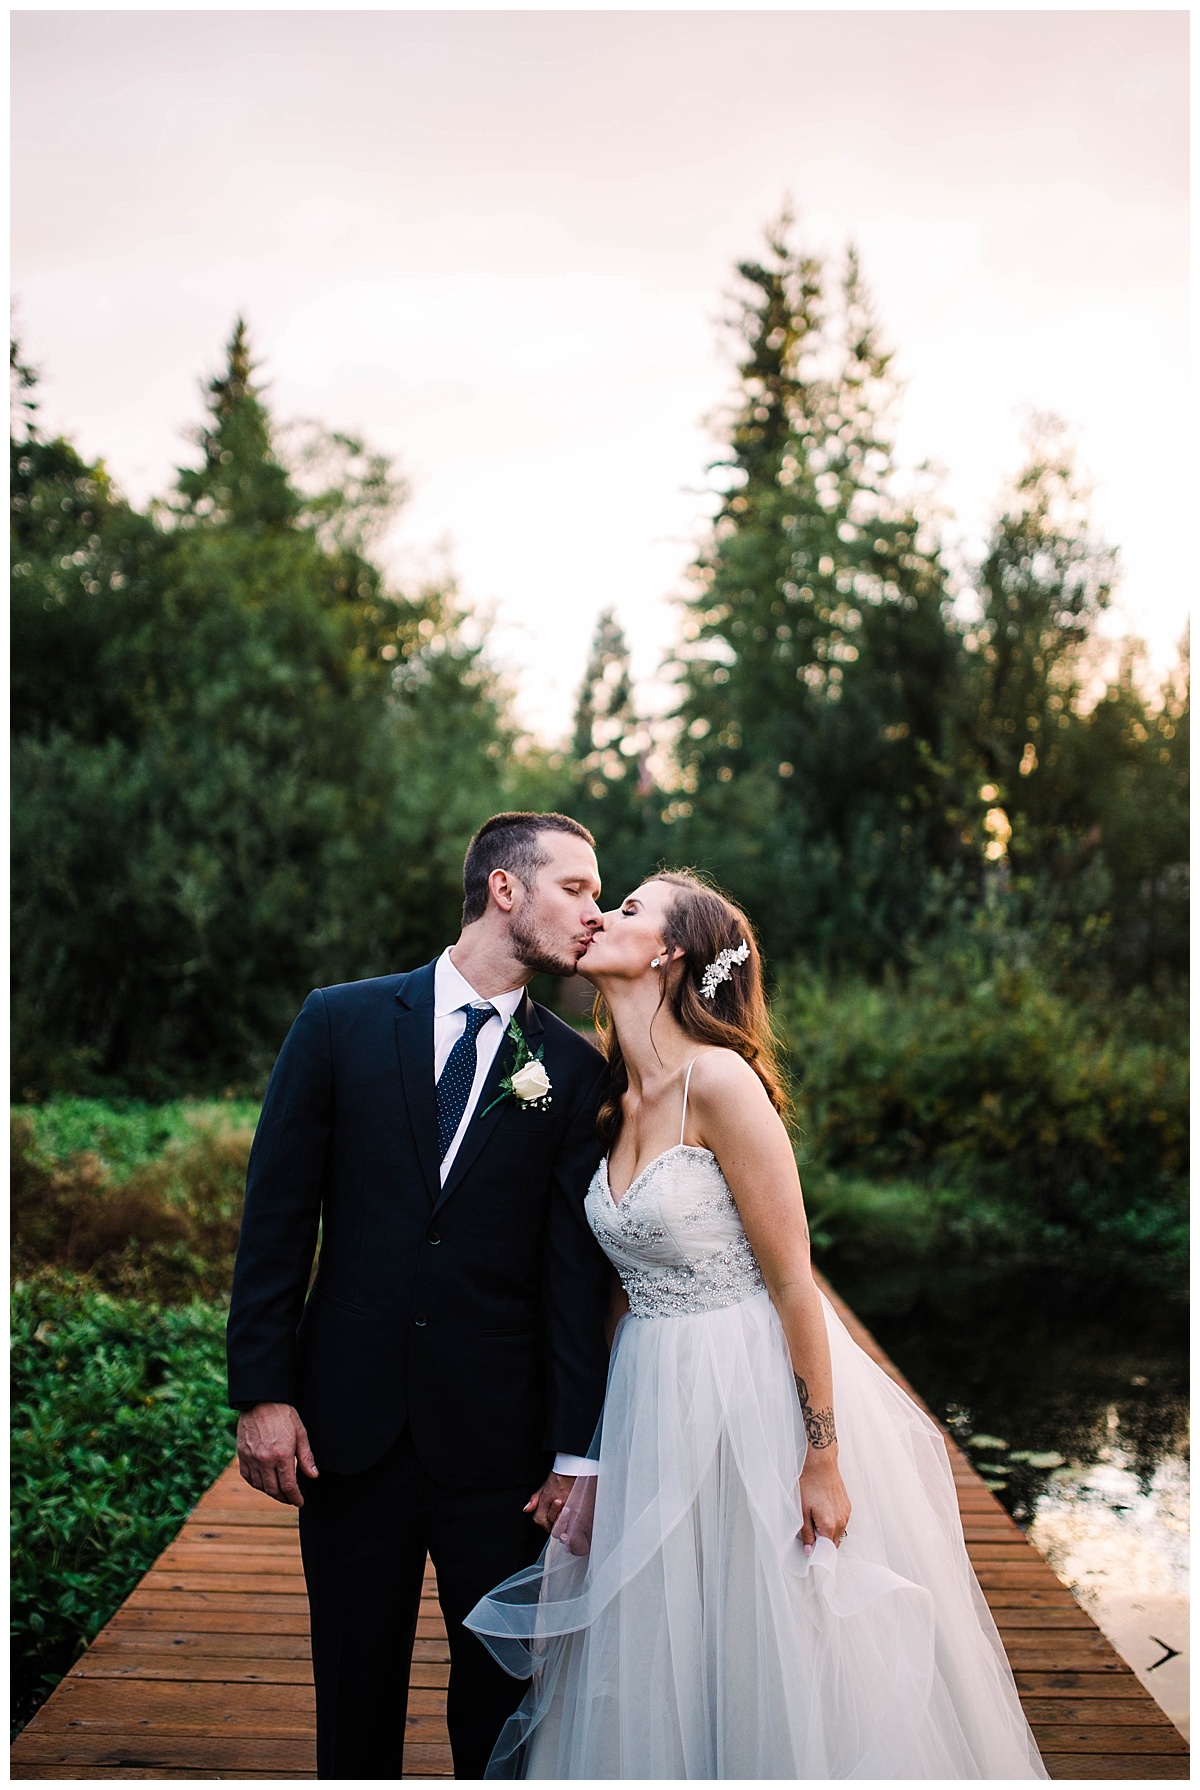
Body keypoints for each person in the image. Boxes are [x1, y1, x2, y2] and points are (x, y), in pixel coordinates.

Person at [466, 870, 1049, 1779]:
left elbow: (793, 1284)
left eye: (625, 909)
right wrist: (594, 1450)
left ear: (669, 953)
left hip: (746, 1394)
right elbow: (616, 1290)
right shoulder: (614, 1096)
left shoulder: (722, 1083)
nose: (598, 917)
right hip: (651, 1395)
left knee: (766, 1632)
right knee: (666, 1642)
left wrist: (822, 1456)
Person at [225, 812, 615, 1779]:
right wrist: (262, 1393)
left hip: (499, 1449)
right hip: (346, 1432)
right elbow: (276, 1218)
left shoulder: (571, 1070)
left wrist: (578, 1452)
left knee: (498, 1707)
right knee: (353, 1696)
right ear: (506, 889)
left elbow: (573, 1277)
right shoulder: (340, 1021)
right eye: (578, 889)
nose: (595, 915)